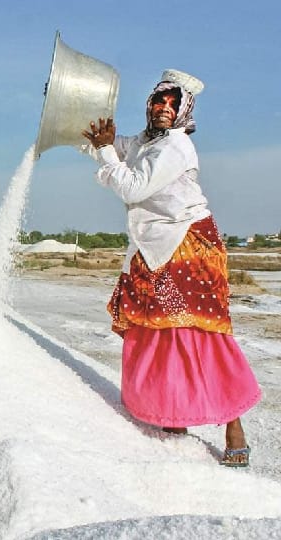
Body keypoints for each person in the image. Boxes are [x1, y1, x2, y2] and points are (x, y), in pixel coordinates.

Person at [80, 69, 261, 467]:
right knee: (153, 332)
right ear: (149, 104)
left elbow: (131, 187)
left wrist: (108, 151)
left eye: (173, 104)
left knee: (199, 333)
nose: (164, 108)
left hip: (188, 244)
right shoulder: (146, 140)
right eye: (159, 101)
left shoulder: (176, 148)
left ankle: (234, 426)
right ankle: (173, 417)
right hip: (150, 246)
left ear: (183, 112)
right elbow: (107, 146)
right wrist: (95, 137)